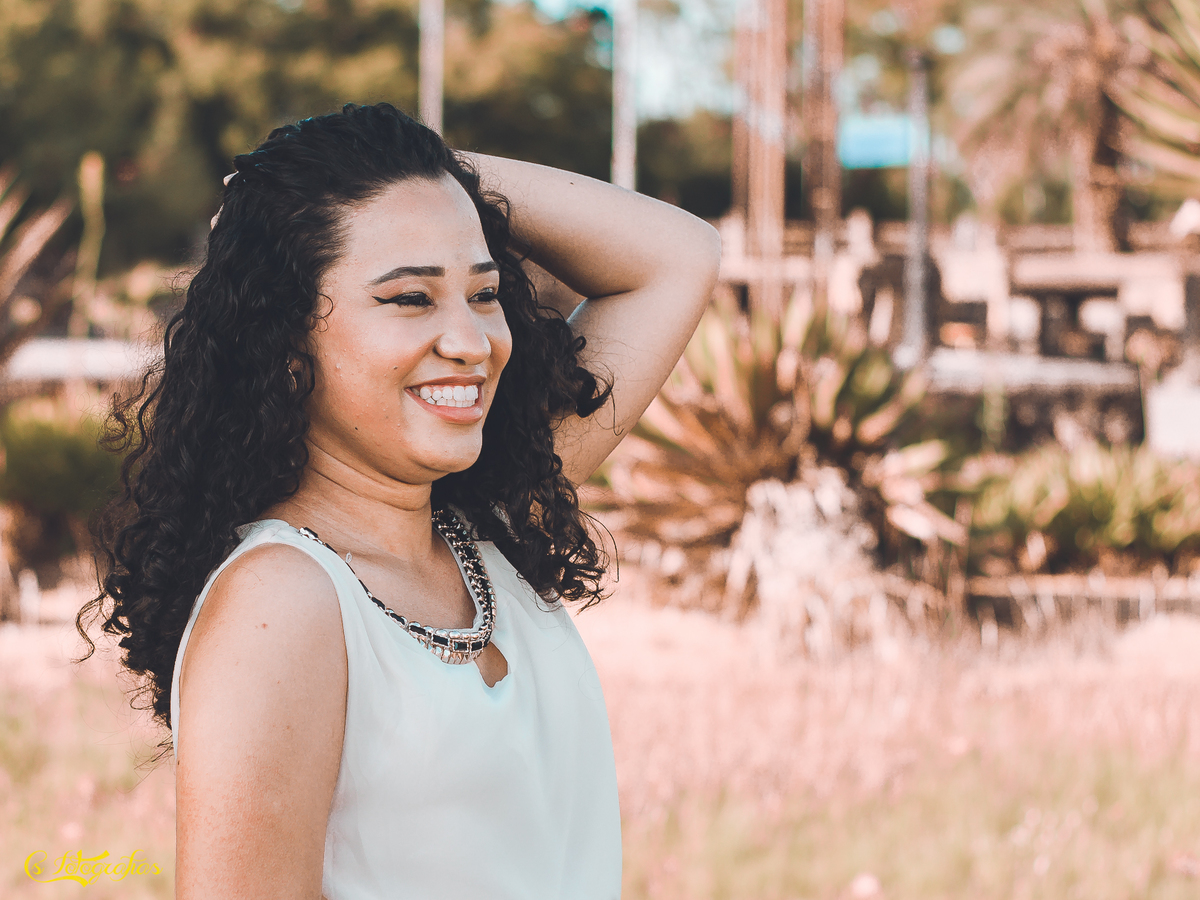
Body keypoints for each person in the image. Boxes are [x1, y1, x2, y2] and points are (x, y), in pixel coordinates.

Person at [79, 102, 721, 899]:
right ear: (283, 342)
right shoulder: (283, 604)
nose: (471, 341)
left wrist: (420, 166)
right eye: (410, 299)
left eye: (484, 295)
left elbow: (681, 255)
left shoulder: (485, 534)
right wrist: (330, 180)